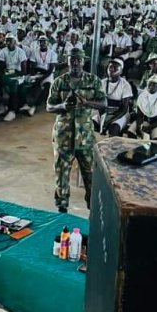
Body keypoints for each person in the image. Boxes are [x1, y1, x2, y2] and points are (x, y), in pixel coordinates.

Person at [47, 48, 106, 213]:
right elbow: (49, 106)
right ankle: (62, 209)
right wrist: (62, 106)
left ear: (83, 61)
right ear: (68, 61)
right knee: (61, 175)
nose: (75, 63)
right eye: (72, 59)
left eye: (78, 60)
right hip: (63, 136)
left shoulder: (93, 81)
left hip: (85, 137)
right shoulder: (59, 81)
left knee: (91, 175)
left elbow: (103, 104)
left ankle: (93, 210)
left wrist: (87, 102)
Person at [97, 57, 133, 136]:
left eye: (115, 68)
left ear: (121, 71)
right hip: (104, 113)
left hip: (119, 115)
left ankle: (113, 147)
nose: (112, 69)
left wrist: (109, 121)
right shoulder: (101, 83)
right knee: (90, 124)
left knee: (113, 129)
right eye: (110, 67)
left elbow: (123, 110)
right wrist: (103, 119)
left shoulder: (125, 85)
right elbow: (99, 104)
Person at [133, 75, 157, 140]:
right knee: (131, 133)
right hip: (145, 120)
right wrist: (139, 126)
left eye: (154, 85)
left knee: (156, 139)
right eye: (149, 84)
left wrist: (149, 127)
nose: (151, 86)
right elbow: (139, 115)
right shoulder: (142, 96)